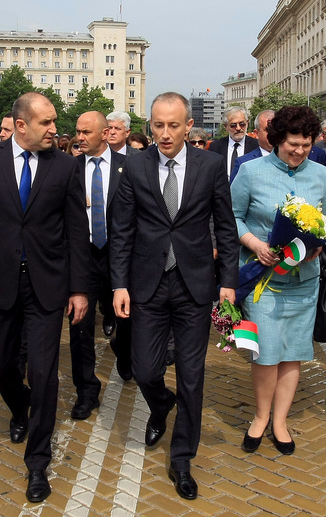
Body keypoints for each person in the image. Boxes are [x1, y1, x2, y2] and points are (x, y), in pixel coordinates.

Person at [0, 92, 92, 503]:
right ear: (22, 124)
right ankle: (19, 405)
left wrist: (79, 288)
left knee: (45, 373)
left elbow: (77, 232)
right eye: (46, 123)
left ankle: (38, 462)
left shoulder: (64, 166)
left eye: (55, 122)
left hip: (48, 285)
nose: (54, 130)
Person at [111, 92, 238, 501]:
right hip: (147, 284)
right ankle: (161, 405)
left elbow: (226, 226)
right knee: (145, 370)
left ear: (188, 127)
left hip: (194, 285)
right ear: (150, 126)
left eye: (172, 125)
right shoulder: (135, 165)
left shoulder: (211, 166)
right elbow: (122, 230)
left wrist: (228, 281)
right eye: (157, 125)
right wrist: (119, 284)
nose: (164, 134)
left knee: (192, 375)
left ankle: (182, 458)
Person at [232, 105, 326, 457]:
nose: (300, 151)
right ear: (276, 139)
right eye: (293, 144)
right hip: (264, 281)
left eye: (306, 144)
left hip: (304, 280)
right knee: (267, 352)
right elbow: (233, 218)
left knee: (293, 353)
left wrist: (319, 245)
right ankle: (260, 417)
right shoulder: (250, 172)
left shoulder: (320, 174)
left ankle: (281, 421)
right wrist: (256, 245)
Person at [67, 111, 130, 423]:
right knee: (79, 328)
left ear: (106, 134)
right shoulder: (70, 169)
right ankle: (86, 390)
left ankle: (124, 348)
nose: (80, 137)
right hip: (83, 260)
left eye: (86, 132)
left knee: (126, 320)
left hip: (120, 259)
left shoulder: (129, 167)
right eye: (78, 131)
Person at [212, 106, 259, 179]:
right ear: (226, 127)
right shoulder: (216, 147)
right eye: (233, 125)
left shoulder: (257, 146)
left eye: (242, 124)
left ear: (247, 123)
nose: (238, 128)